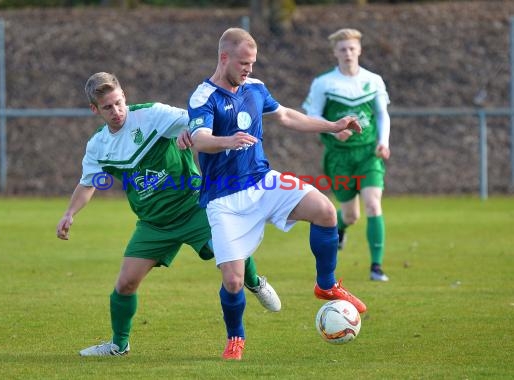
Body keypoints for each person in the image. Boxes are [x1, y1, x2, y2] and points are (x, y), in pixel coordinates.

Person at [56, 72, 281, 357]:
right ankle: (118, 346)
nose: (116, 111)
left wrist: (191, 132)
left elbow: (200, 123)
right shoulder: (99, 145)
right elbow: (89, 183)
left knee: (227, 252)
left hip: (194, 206)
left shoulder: (153, 115)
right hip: (154, 224)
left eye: (118, 103)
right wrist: (70, 213)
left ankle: (254, 281)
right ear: (94, 110)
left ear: (124, 95)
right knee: (125, 284)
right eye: (107, 108)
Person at [179, 27, 367, 361]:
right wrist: (228, 140)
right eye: (243, 63)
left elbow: (287, 116)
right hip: (224, 200)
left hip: (264, 182)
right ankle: (236, 337)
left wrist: (333, 125)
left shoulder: (255, 87)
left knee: (325, 211)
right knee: (234, 281)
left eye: (252, 63)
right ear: (224, 58)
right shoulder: (203, 96)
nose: (249, 69)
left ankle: (326, 284)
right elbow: (201, 138)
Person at [302, 28, 391, 282]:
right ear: (335, 53)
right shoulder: (324, 83)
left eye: (352, 48)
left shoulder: (373, 80)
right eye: (342, 49)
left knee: (374, 203)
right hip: (338, 157)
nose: (348, 53)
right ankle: (341, 227)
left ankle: (376, 267)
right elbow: (312, 116)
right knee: (351, 214)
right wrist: (332, 131)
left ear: (359, 50)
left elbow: (382, 114)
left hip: (368, 154)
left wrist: (383, 142)